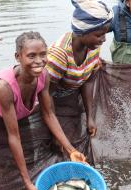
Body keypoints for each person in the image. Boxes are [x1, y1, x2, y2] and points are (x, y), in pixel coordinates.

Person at [0, 31, 88, 190]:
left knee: (28, 151)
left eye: (43, 54)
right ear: (18, 57)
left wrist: (71, 150)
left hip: (21, 115)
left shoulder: (43, 76)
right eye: (31, 56)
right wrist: (26, 180)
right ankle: (6, 188)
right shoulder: (4, 86)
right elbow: (13, 136)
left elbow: (48, 113)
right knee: (2, 159)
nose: (39, 61)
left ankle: (26, 183)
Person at [46, 0, 113, 138]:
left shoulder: (93, 47)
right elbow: (46, 94)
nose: (104, 39)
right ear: (82, 32)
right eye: (99, 35)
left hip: (72, 96)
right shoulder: (60, 55)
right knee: (60, 142)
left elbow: (87, 81)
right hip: (52, 103)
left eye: (105, 34)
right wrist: (56, 133)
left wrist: (90, 117)